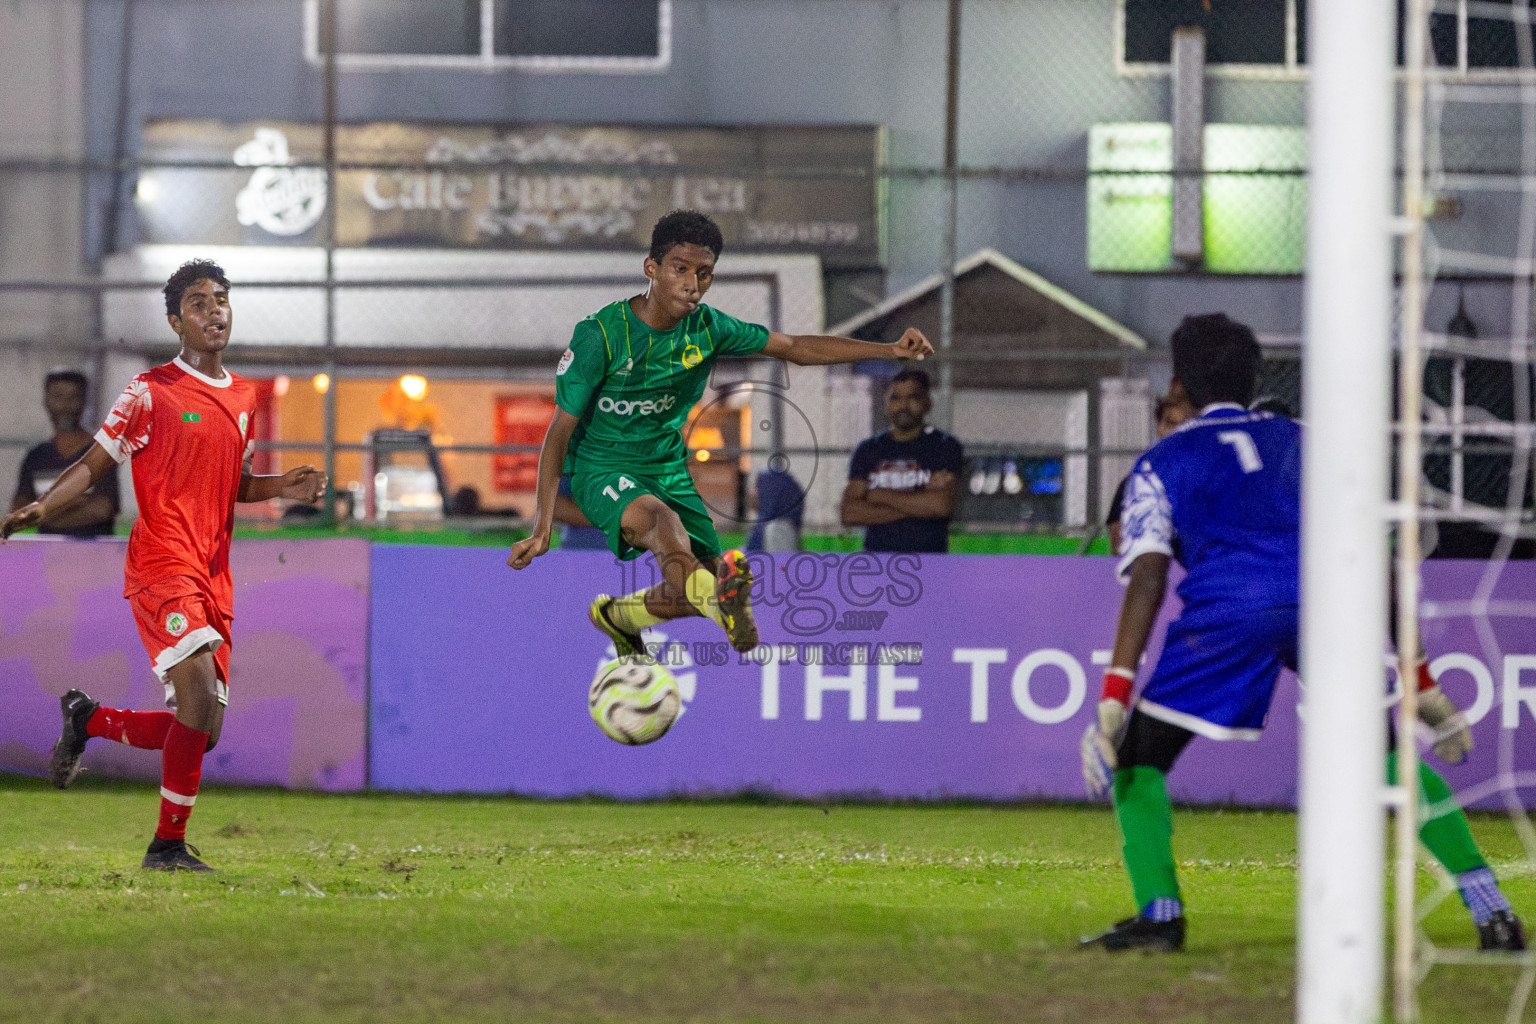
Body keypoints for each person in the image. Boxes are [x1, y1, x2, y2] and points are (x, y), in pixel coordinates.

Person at [1078, 313, 1525, 952]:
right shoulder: (1313, 440)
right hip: (1328, 602)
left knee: (1140, 761)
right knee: (1391, 759)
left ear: (1178, 383)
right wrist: (1416, 674)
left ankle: (1160, 916)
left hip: (1229, 611)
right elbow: (1380, 549)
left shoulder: (1162, 461)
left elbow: (1147, 575)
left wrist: (1115, 697)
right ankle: (1493, 912)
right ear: (1255, 376)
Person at [0, 259, 327, 872]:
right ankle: (166, 846)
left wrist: (285, 484)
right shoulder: (149, 391)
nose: (215, 310)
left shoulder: (244, 398)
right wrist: (40, 507)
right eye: (199, 302)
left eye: (222, 299)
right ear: (177, 320)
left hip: (212, 572)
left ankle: (90, 719)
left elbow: (230, 484)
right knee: (199, 698)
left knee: (205, 729)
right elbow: (95, 465)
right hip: (161, 562)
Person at [507, 210, 932, 657]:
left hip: (666, 467)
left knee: (694, 585)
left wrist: (889, 349)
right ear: (651, 268)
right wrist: (542, 524)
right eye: (681, 269)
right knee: (659, 523)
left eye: (705, 274)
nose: (693, 283)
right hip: (603, 469)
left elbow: (795, 348)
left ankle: (622, 616)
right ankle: (723, 603)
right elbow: (558, 434)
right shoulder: (601, 337)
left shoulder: (709, 329)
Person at [840, 369, 963, 553]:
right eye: (896, 398)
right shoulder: (869, 449)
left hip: (929, 561)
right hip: (877, 561)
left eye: (912, 397)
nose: (903, 405)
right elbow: (850, 513)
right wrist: (919, 504)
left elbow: (941, 505)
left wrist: (878, 495)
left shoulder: (944, 446)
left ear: (927, 403)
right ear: (887, 403)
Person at [11, 368, 120, 537]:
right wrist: (76, 501)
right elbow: (19, 512)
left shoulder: (101, 452)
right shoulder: (36, 457)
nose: (65, 405)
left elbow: (101, 509)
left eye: (73, 397)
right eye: (57, 397)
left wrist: (44, 510)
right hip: (47, 557)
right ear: (45, 400)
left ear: (85, 401)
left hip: (95, 557)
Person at [1104, 389, 1196, 554]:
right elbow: (1119, 549)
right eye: (1165, 423)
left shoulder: (1212, 482)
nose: (1162, 431)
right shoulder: (1133, 484)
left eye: (1174, 423)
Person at [745, 459, 804, 552]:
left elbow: (780, 563)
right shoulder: (762, 526)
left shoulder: (777, 530)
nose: (753, 492)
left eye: (757, 487)